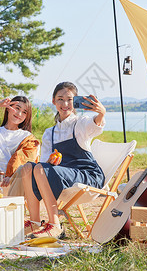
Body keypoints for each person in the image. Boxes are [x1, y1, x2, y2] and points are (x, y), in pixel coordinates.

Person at [21, 82, 106, 238]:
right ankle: (34, 222)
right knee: (28, 168)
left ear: (75, 102)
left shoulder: (80, 123)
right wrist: (52, 163)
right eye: (60, 99)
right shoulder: (49, 133)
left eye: (69, 99)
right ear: (54, 101)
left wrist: (101, 114)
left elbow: (94, 125)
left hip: (86, 175)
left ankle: (54, 225)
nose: (65, 104)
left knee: (40, 168)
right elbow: (46, 163)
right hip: (63, 175)